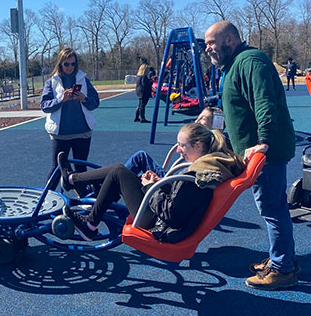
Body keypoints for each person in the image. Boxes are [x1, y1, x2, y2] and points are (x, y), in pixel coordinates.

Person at [205, 20, 299, 290]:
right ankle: (283, 258)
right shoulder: (234, 65)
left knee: (272, 207)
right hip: (256, 151)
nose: (208, 48)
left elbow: (264, 102)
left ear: (230, 40)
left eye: (212, 42)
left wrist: (263, 142)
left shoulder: (250, 61)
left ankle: (283, 269)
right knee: (272, 206)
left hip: (265, 152)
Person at [61, 123, 244, 243]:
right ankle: (75, 182)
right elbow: (179, 201)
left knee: (118, 172)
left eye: (182, 146)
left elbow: (173, 215)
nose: (179, 151)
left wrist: (150, 186)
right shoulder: (207, 168)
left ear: (198, 145)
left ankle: (90, 223)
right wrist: (159, 183)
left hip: (156, 223)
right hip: (161, 217)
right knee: (118, 172)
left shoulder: (197, 176)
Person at [41, 48, 100, 180]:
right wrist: (61, 100)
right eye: (66, 64)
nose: (70, 67)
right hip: (60, 134)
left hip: (82, 132)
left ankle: (83, 197)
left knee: (81, 168)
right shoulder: (51, 81)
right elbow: (44, 106)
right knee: (56, 167)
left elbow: (95, 102)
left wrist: (83, 98)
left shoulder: (84, 80)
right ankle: (46, 198)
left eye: (73, 64)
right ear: (60, 64)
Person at [124, 107, 216, 179]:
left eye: (202, 118)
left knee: (119, 174)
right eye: (198, 117)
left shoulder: (210, 148)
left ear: (215, 123)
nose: (197, 121)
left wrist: (152, 183)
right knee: (138, 159)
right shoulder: (214, 146)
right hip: (172, 181)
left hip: (167, 185)